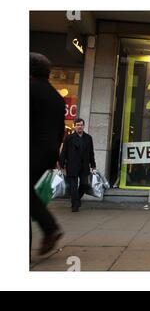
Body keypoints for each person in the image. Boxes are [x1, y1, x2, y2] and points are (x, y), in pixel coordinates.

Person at [30, 52, 65, 255]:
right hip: (47, 153)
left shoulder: (29, 90)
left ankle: (50, 227)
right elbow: (60, 131)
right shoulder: (56, 97)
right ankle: (50, 228)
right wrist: (55, 157)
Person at [59, 118, 97, 212]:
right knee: (73, 186)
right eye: (77, 125)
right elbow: (64, 152)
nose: (79, 126)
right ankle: (75, 205)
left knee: (84, 184)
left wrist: (93, 165)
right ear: (74, 126)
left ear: (83, 126)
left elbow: (91, 152)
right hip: (72, 165)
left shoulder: (88, 138)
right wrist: (61, 164)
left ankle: (77, 199)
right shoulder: (69, 138)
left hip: (84, 166)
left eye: (81, 125)